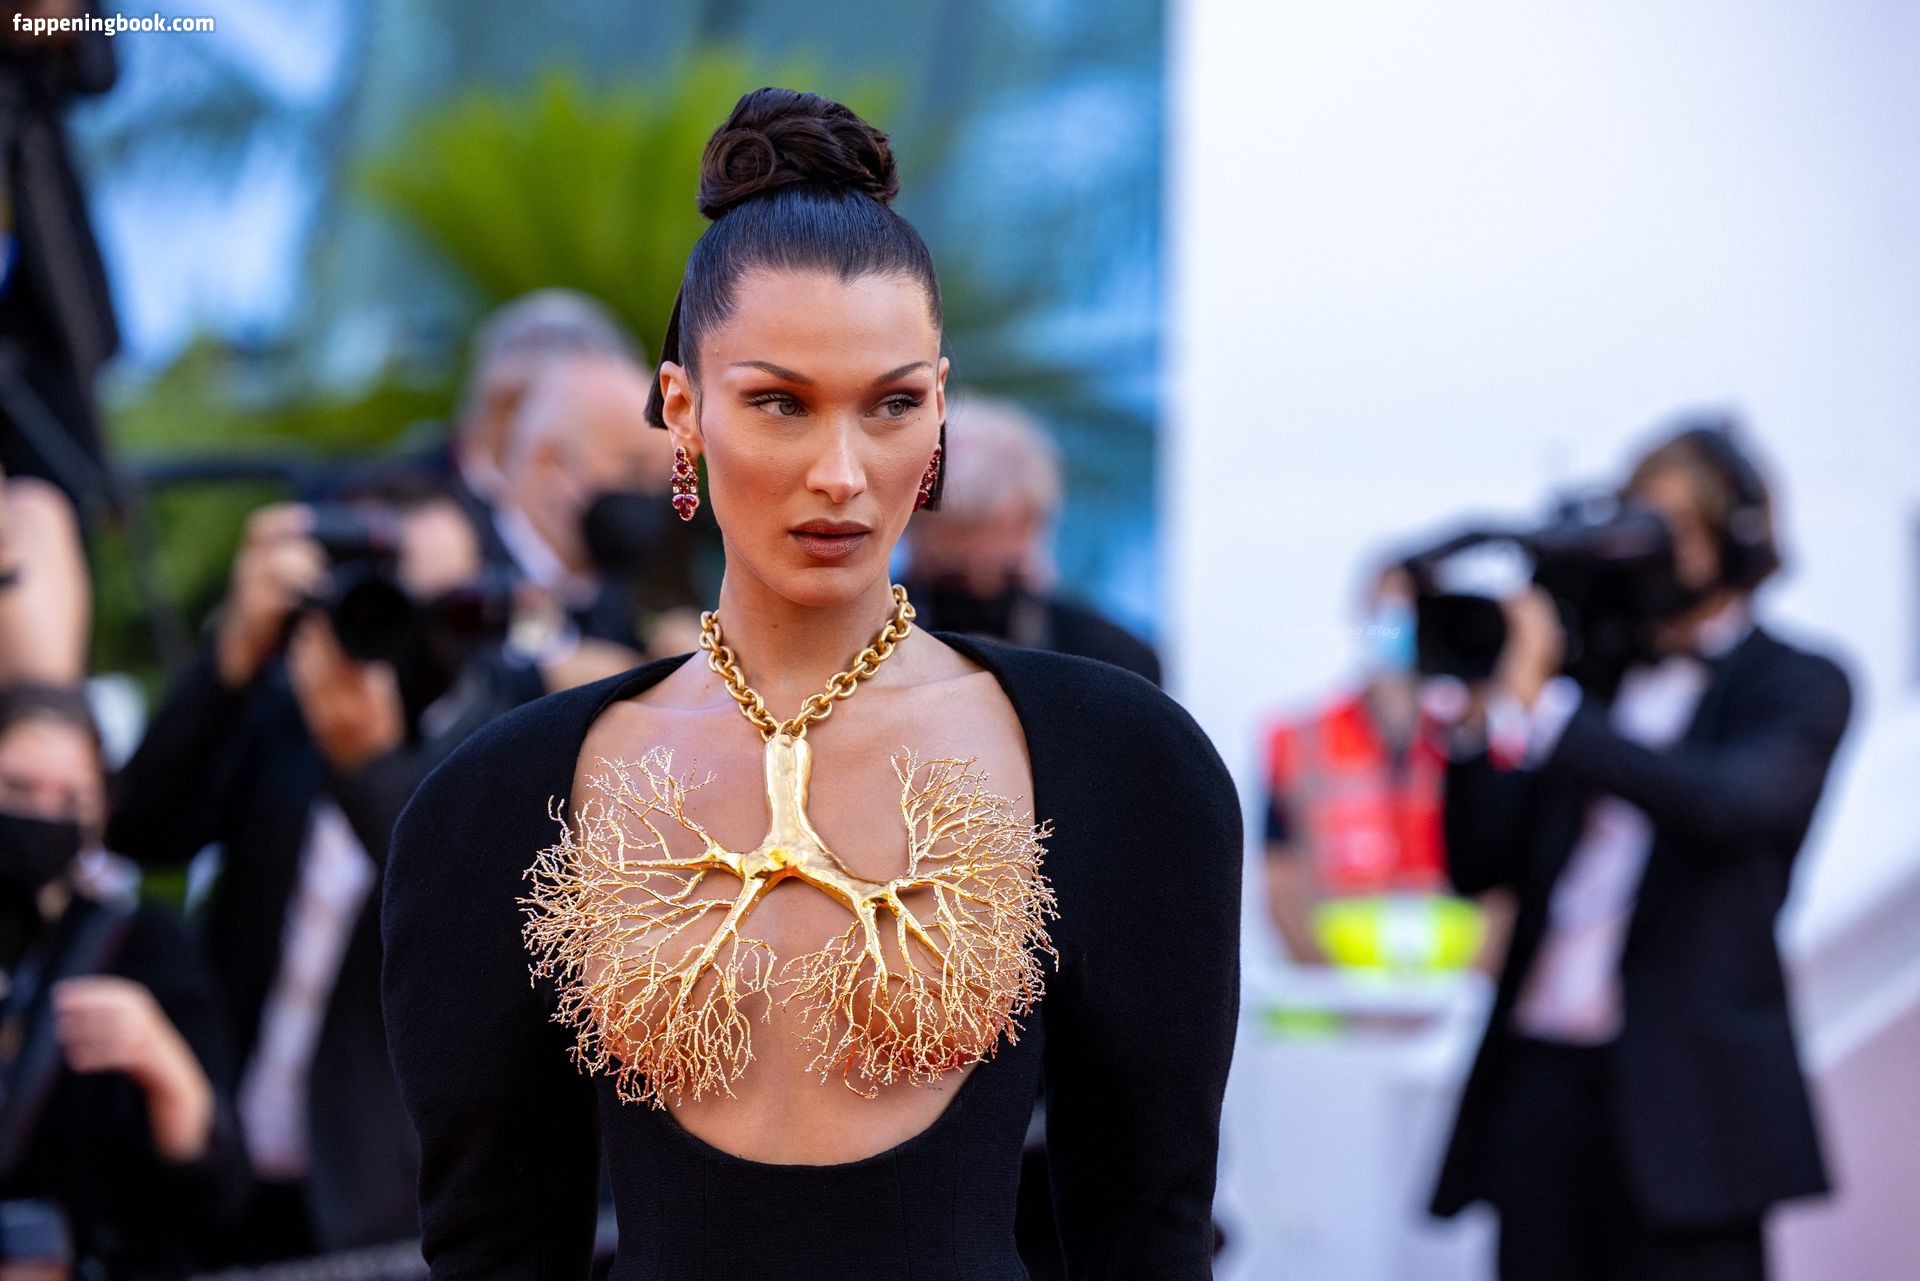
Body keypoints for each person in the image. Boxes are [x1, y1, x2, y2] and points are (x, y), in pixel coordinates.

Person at [383, 88, 1242, 1279]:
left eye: (892, 405)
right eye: (779, 403)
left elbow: (1148, 1235)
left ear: (939, 410)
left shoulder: (1118, 765)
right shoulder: (503, 799)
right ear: (682, 411)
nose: (841, 472)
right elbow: (493, 1249)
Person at [1427, 423, 1853, 1280]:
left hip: (1691, 1112)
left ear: (1738, 538)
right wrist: (1480, 722)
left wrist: (1549, 712)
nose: (1650, 553)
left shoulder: (1798, 681)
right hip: (1543, 1083)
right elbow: (1477, 862)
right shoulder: (1588, 680)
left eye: (1675, 528)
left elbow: (1727, 803)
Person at [106, 469, 529, 1261]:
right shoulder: (279, 709)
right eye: (383, 600)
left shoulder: (516, 739)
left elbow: (486, 937)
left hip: (381, 1213)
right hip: (219, 1175)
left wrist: (369, 769)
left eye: (447, 606)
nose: (410, 631)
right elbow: (139, 830)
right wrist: (230, 658)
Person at [0, 682, 248, 1279]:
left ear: (102, 808)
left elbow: (220, 1193)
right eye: (18, 789)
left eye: (71, 799)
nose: (44, 816)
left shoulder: (144, 948)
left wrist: (162, 1064)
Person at [1261, 564, 1505, 972]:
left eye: (1410, 606)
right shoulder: (1300, 740)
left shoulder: (1471, 744)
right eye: (1385, 607)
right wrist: (1333, 983)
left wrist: (1469, 987)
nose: (1396, 622)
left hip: (1448, 990)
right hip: (1333, 993)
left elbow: (1503, 880)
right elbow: (1278, 879)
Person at [902, 396, 1161, 684]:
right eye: (952, 577)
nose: (982, 589)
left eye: (1008, 572)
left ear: (1035, 527)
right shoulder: (873, 648)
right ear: (911, 536)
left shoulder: (1114, 660)